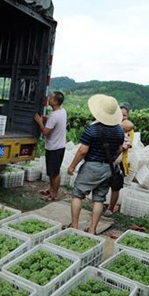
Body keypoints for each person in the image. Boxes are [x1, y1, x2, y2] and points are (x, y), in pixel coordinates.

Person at [67, 94, 124, 234]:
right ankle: (92, 229)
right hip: (108, 168)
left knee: (77, 195)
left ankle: (74, 227)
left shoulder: (92, 129)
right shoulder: (119, 131)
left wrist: (72, 166)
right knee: (99, 199)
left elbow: (82, 150)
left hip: (92, 166)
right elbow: (119, 150)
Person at [34, 91, 67, 201]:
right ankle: (51, 189)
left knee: (54, 173)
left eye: (51, 98)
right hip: (59, 146)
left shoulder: (54, 115)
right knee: (52, 171)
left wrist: (39, 122)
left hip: (54, 148)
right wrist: (46, 120)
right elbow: (55, 123)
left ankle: (54, 195)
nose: (49, 99)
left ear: (56, 102)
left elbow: (46, 132)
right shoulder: (62, 111)